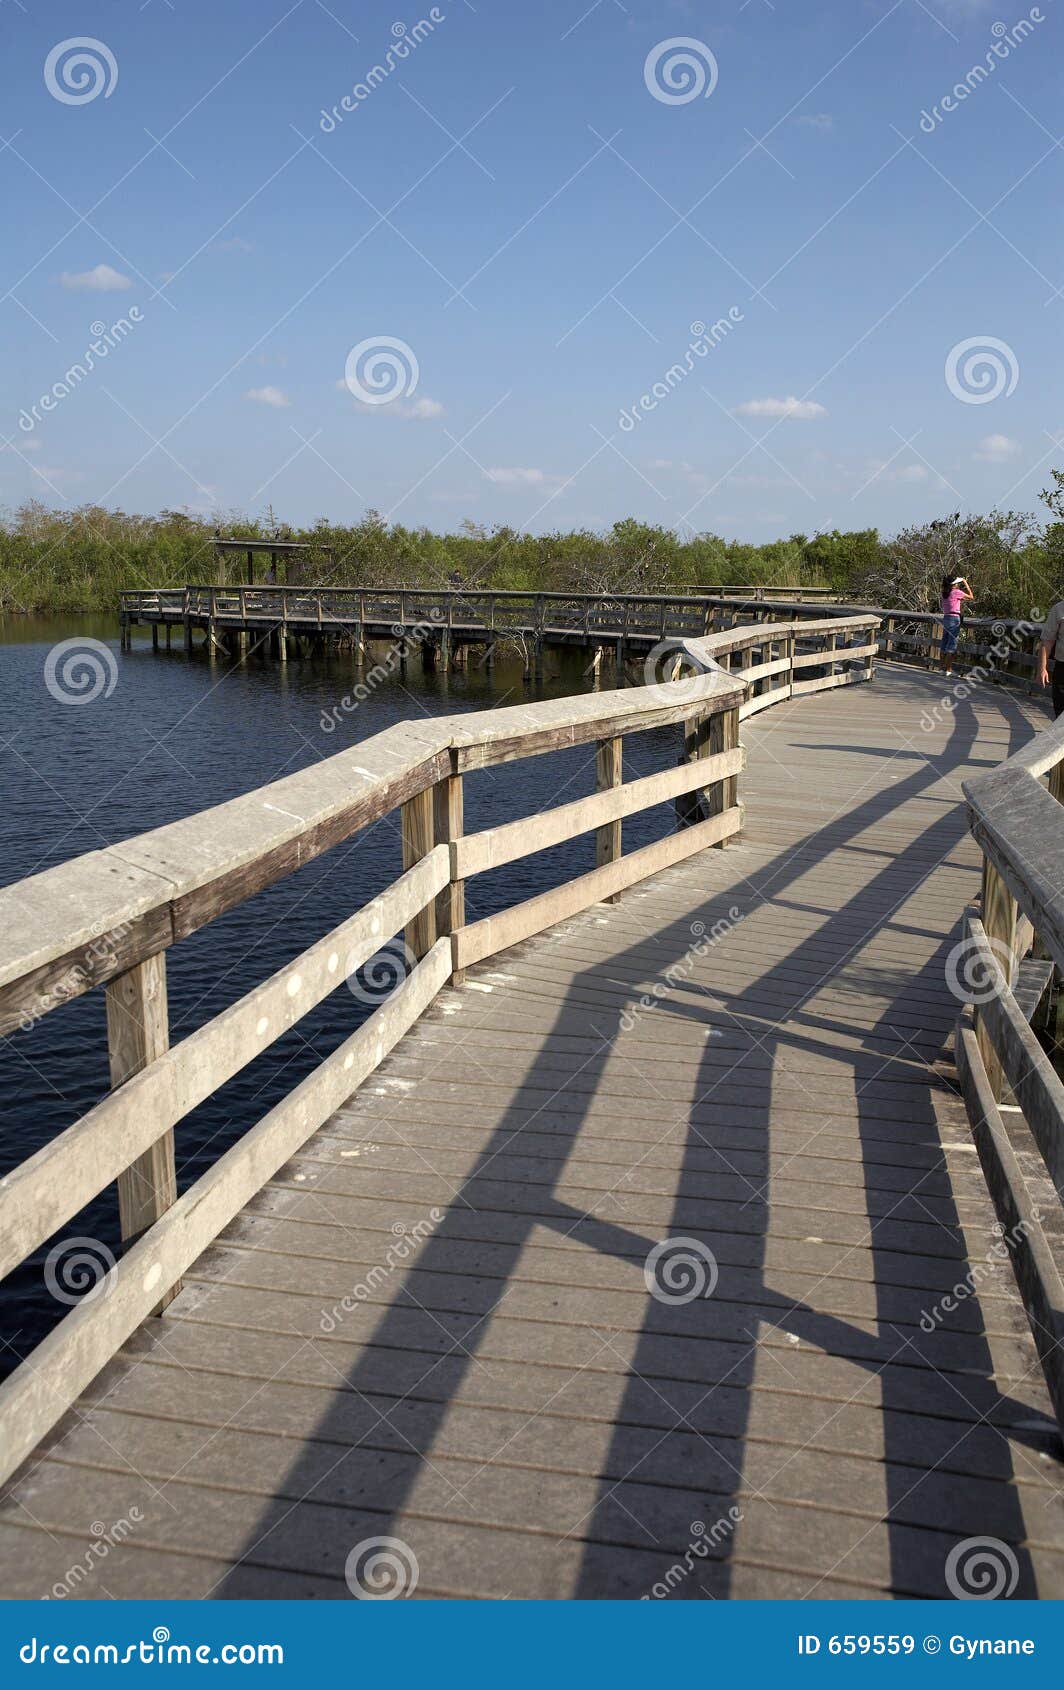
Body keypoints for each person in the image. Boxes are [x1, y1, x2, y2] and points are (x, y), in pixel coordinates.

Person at [940, 573, 974, 674]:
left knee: (944, 642)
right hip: (954, 619)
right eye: (957, 583)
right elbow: (971, 596)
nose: (958, 584)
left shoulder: (944, 593)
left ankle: (942, 668)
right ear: (954, 585)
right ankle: (948, 670)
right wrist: (965, 582)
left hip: (946, 618)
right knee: (952, 644)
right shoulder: (956, 592)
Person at [1036, 601, 1064, 716]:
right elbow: (1047, 641)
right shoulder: (1058, 609)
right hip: (1062, 668)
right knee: (1060, 712)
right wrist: (1042, 669)